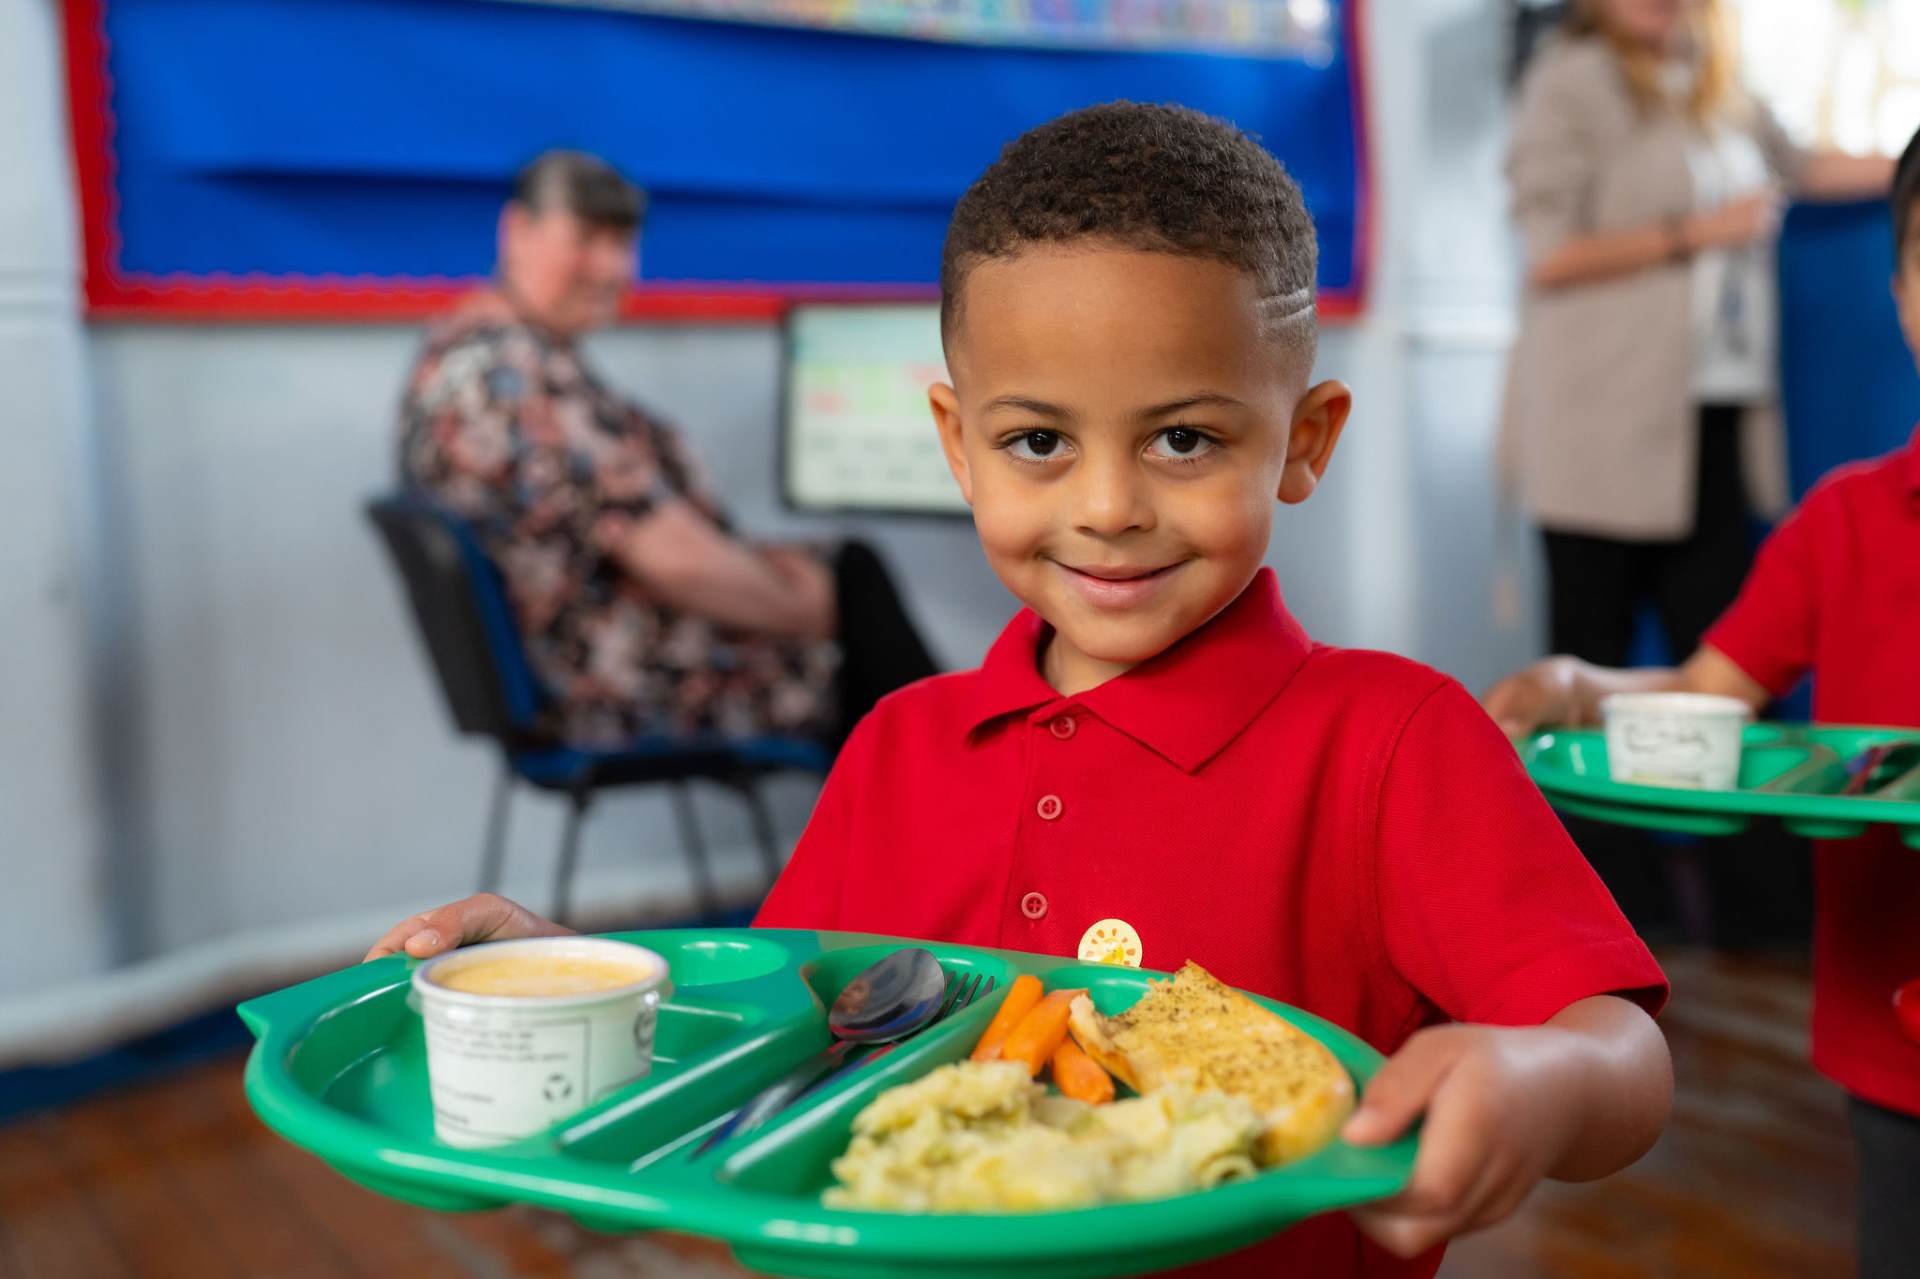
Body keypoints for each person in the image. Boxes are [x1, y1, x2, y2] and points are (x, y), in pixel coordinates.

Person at [369, 105, 1673, 1277]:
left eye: (1184, 438)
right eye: (1038, 440)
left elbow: (1622, 1050)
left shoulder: (1394, 740)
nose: (1106, 506)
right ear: (959, 443)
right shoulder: (898, 743)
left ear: (1304, 439)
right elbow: (771, 1025)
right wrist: (568, 978)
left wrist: (1541, 1075)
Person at [1486, 123, 1920, 1279]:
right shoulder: (1843, 522)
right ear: (1900, 290)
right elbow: (1702, 691)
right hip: (1891, 1038)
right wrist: (1580, 684)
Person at [1502, 0, 1894, 939]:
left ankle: (1763, 915)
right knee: (1591, 661)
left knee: (1728, 674)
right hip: (1600, 426)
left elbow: (1805, 167)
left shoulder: (1721, 83)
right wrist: (1698, 232)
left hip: (1708, 423)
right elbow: (1547, 252)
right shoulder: (1569, 79)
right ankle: (1603, 920)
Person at [398, 150, 936, 749]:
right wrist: (806, 604)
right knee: (856, 591)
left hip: (562, 665)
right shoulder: (522, 382)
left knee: (845, 576)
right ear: (517, 230)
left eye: (623, 243)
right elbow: (674, 561)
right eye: (587, 239)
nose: (612, 268)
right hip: (601, 686)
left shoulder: (458, 348)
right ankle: (967, 792)